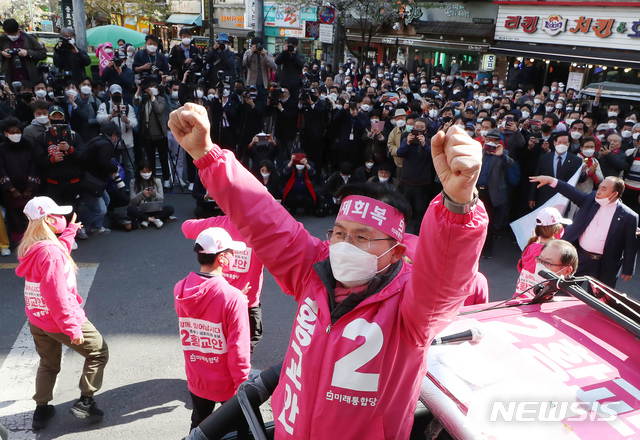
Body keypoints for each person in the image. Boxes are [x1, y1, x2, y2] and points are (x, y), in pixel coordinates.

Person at [169, 103, 486, 440]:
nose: (345, 245)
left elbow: (445, 276)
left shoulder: (413, 310)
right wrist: (206, 154)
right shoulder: (313, 268)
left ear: (397, 252)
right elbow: (260, 214)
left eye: (362, 237)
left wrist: (457, 204)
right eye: (340, 233)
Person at [15, 197, 109, 430]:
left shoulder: (32, 246)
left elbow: (57, 255)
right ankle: (86, 401)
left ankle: (41, 409)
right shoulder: (50, 252)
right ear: (47, 219)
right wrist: (72, 327)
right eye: (57, 215)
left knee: (48, 363)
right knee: (98, 352)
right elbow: (56, 295)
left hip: (37, 318)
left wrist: (69, 232)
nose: (62, 218)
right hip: (57, 319)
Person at [174, 227, 251, 431]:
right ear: (223, 258)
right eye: (232, 253)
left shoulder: (180, 288)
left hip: (197, 378)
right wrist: (243, 384)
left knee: (200, 425)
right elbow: (239, 351)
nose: (234, 256)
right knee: (241, 427)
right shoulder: (232, 297)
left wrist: (235, 299)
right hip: (228, 386)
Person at [530, 175, 638, 288]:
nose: (599, 191)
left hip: (604, 263)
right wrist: (552, 181)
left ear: (614, 194)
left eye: (604, 189)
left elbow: (630, 244)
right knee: (563, 290)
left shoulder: (629, 216)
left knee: (598, 300)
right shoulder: (591, 200)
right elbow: (572, 192)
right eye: (599, 187)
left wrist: (628, 269)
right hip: (580, 256)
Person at [183, 216, 267, 352]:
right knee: (244, 346)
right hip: (246, 302)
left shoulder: (217, 224)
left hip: (216, 300)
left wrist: (211, 225)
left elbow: (186, 227)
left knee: (216, 345)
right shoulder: (264, 229)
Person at [514, 207, 572, 298]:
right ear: (557, 230)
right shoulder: (553, 253)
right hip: (536, 302)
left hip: (519, 297)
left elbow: (521, 267)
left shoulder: (531, 246)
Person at [476, 128, 514, 259]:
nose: (490, 143)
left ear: (498, 142)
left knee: (489, 222)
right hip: (476, 191)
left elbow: (510, 163)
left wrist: (501, 154)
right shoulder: (478, 152)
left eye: (494, 141)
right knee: (474, 220)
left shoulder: (502, 153)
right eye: (488, 140)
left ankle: (487, 248)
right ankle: (474, 247)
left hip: (491, 193)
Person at [0, 117, 39, 245]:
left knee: (31, 212)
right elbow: (1, 168)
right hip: (11, 188)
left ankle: (33, 236)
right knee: (13, 214)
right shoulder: (2, 148)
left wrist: (30, 186)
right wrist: (11, 188)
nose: (15, 134)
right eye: (12, 132)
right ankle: (18, 239)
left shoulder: (28, 145)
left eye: (18, 131)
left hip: (28, 186)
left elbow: (35, 165)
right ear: (6, 133)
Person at [528, 132, 583, 209]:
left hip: (563, 198)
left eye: (565, 143)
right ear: (554, 143)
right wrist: (532, 197)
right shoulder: (544, 158)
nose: (562, 144)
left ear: (568, 144)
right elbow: (537, 176)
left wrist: (584, 172)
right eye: (559, 142)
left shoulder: (576, 160)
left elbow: (579, 179)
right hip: (544, 197)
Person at [127, 161, 175, 229]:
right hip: (141, 209)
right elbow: (133, 200)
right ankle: (154, 220)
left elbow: (161, 198)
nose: (146, 174)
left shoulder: (157, 181)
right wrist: (142, 194)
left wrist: (154, 194)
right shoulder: (133, 182)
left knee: (170, 208)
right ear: (139, 171)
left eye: (148, 171)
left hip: (154, 209)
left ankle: (147, 219)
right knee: (130, 209)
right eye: (144, 171)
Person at [0, 19, 47, 85]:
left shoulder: (29, 39)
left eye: (13, 34)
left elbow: (42, 54)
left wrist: (27, 52)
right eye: (9, 34)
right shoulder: (2, 40)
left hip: (29, 78)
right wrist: (2, 53)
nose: (11, 36)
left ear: (19, 30)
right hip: (10, 78)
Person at [242, 37, 276, 112]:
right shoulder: (248, 52)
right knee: (250, 106)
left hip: (263, 84)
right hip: (251, 83)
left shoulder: (267, 53)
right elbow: (244, 63)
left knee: (262, 106)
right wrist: (251, 52)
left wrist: (263, 55)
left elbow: (272, 66)